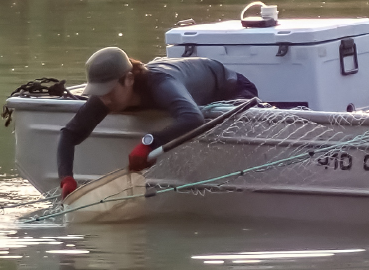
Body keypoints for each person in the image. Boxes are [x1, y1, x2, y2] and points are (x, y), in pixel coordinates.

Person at [55, 47, 255, 198]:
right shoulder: (106, 98)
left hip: (232, 89)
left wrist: (149, 142)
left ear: (129, 79)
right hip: (190, 94)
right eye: (99, 92)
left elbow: (193, 118)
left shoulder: (161, 84)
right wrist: (66, 178)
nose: (105, 99)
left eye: (109, 91)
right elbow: (69, 134)